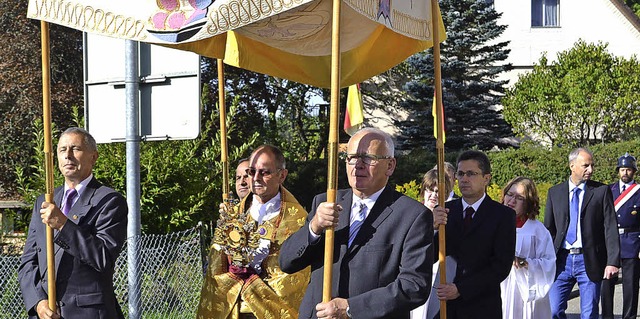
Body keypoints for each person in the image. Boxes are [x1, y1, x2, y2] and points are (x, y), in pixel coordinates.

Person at [279, 127, 434, 319]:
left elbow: (414, 286)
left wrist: (351, 308)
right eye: (351, 157)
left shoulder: (412, 216)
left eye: (368, 158)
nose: (358, 165)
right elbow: (286, 262)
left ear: (390, 166)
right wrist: (315, 228)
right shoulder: (325, 203)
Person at [18, 127, 128, 319]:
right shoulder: (44, 202)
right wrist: (38, 302)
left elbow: (103, 258)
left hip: (89, 313)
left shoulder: (109, 201)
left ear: (93, 157)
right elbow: (28, 261)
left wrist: (63, 225)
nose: (68, 156)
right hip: (47, 313)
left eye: (75, 148)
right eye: (62, 150)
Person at [197, 145, 310, 319]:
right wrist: (232, 272)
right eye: (251, 171)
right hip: (232, 310)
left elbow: (295, 278)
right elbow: (215, 268)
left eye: (264, 172)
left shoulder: (298, 220)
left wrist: (251, 281)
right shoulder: (232, 215)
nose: (256, 178)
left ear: (282, 175)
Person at [432, 150, 516, 318]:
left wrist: (461, 289)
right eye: (460, 174)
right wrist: (431, 228)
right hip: (446, 306)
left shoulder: (503, 215)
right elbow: (430, 254)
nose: (464, 179)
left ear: (486, 178)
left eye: (471, 174)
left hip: (482, 305)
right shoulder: (446, 210)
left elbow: (501, 266)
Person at [544, 147, 620, 319]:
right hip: (561, 262)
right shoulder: (555, 193)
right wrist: (543, 259)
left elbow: (610, 227)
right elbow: (549, 229)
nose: (590, 170)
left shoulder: (601, 191)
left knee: (589, 313)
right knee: (553, 310)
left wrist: (612, 261)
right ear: (572, 166)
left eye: (592, 165)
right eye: (586, 165)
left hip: (589, 260)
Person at [499, 177, 556, 319]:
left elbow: (549, 262)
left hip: (526, 289)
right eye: (510, 195)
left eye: (519, 198)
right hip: (500, 287)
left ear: (528, 202)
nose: (512, 201)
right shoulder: (494, 225)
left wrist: (526, 263)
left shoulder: (537, 230)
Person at [601, 153, 640, 319]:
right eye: (622, 169)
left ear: (634, 172)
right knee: (606, 284)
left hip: (632, 242)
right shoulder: (609, 190)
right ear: (618, 171)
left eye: (629, 170)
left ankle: (629, 317)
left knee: (630, 286)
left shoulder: (638, 191)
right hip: (611, 242)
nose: (625, 173)